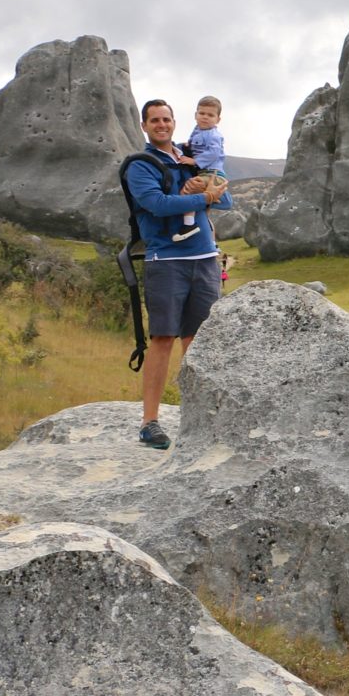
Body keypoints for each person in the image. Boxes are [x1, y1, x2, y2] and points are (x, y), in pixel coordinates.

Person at [125, 99, 231, 450]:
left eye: (166, 119)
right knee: (162, 339)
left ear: (174, 122)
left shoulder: (189, 158)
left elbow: (226, 200)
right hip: (166, 259)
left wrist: (204, 186)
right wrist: (201, 198)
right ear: (144, 126)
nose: (162, 125)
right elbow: (157, 205)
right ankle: (149, 423)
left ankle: (199, 419)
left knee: (198, 341)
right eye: (154, 120)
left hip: (205, 259)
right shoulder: (140, 165)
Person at [173, 95, 228, 244]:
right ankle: (211, 241)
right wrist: (188, 145)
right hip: (206, 173)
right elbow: (196, 141)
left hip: (212, 174)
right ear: (195, 115)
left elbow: (214, 153)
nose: (205, 117)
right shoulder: (198, 129)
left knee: (188, 190)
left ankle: (189, 225)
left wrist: (195, 161)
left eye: (210, 115)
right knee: (204, 210)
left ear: (218, 119)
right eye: (202, 113)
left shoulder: (214, 135)